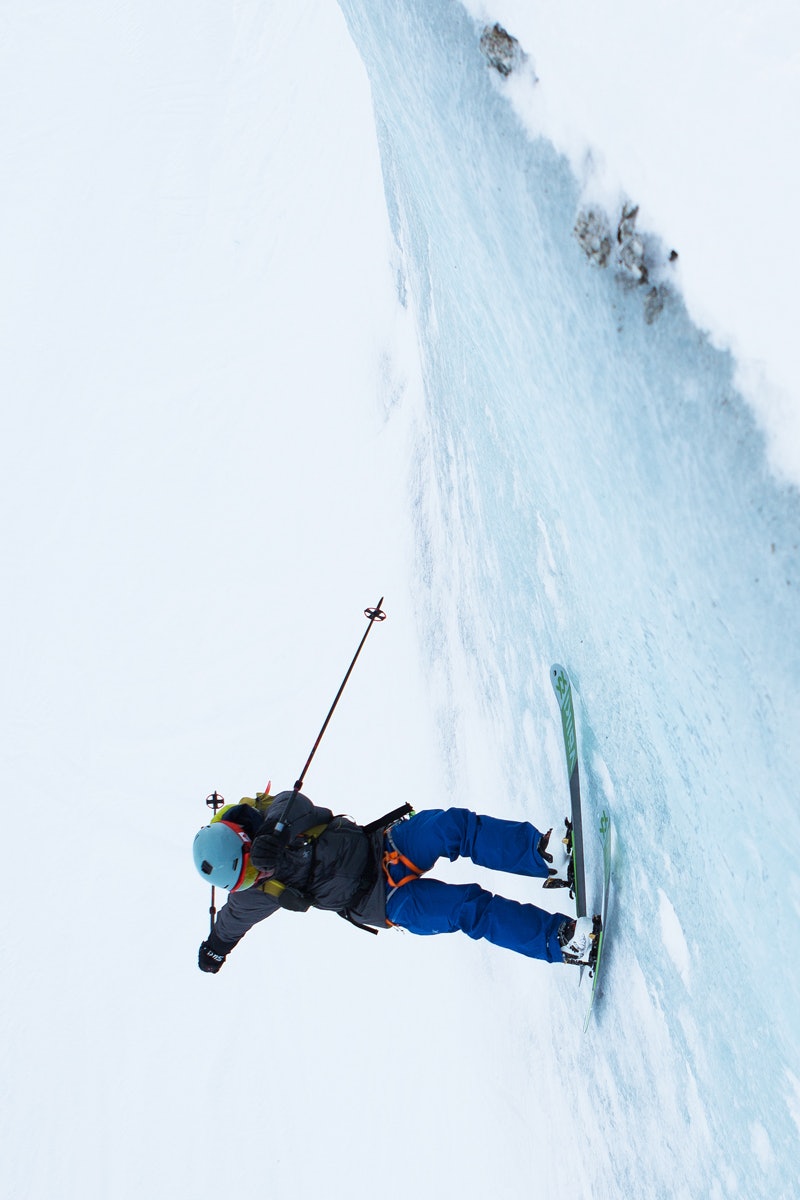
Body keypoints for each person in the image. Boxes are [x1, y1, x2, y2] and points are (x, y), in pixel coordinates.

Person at [193, 786, 601, 974]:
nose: (254, 877)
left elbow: (294, 801)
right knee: (469, 909)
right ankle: (563, 942)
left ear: (246, 840)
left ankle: (546, 856)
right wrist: (216, 947)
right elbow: (233, 919)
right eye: (244, 880)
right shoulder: (255, 890)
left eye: (250, 866)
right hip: (382, 904)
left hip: (384, 846)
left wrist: (277, 836)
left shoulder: (273, 816)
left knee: (451, 827)